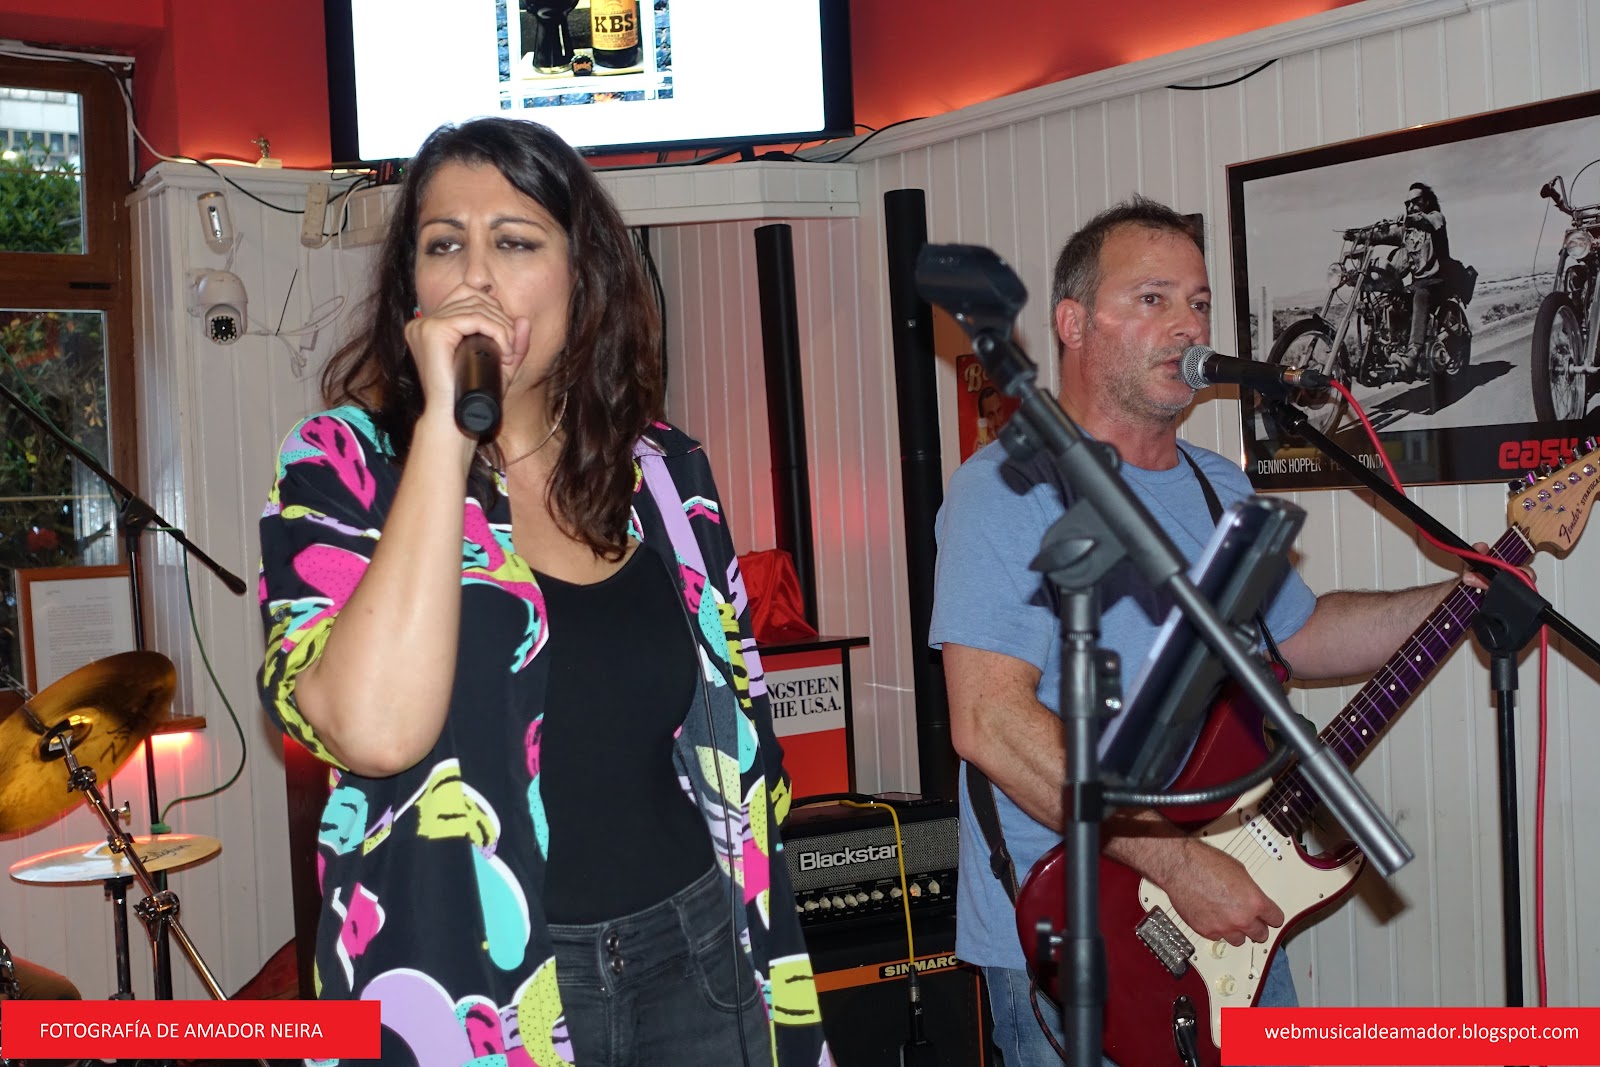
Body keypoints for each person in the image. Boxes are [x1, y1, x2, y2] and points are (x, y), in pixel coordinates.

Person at [257, 117, 829, 1067]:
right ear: (412, 288)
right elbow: (371, 731)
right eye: (445, 245)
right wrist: (447, 431)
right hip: (476, 984)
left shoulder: (664, 473)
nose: (476, 277)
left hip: (700, 954)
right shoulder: (343, 468)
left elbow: (742, 743)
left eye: (516, 242)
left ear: (581, 276)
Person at [930, 195, 1491, 1066]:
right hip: (1091, 946)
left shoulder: (1217, 487)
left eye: (1197, 302)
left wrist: (1463, 593)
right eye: (1151, 298)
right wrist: (1181, 868)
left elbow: (1301, 636)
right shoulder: (1009, 490)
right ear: (1072, 324)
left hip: (1233, 927)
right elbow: (990, 722)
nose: (1187, 324)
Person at [1363, 181, 1450, 380]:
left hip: (1436, 281)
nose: (1411, 206)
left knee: (1420, 295)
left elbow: (1427, 222)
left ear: (1426, 201)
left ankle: (1413, 354)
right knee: (1387, 301)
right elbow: (1381, 235)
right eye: (1407, 203)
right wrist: (1359, 235)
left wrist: (1409, 219)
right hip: (1417, 282)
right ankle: (1383, 351)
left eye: (1415, 201)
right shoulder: (1407, 231)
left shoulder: (1436, 218)